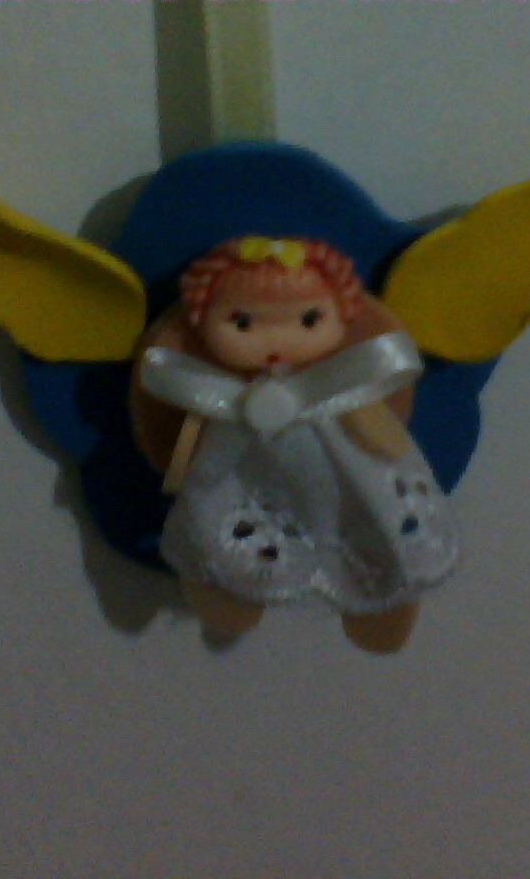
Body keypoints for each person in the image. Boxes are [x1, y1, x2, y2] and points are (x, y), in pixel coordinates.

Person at [129, 235, 458, 651]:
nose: (275, 342)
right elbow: (187, 448)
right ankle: (229, 590)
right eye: (243, 323)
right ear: (202, 318)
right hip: (244, 481)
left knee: (371, 520)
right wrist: (178, 473)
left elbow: (380, 431)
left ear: (341, 314)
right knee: (215, 523)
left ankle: (381, 600)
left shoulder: (340, 390)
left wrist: (389, 445)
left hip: (341, 488)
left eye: (307, 320)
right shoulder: (215, 397)